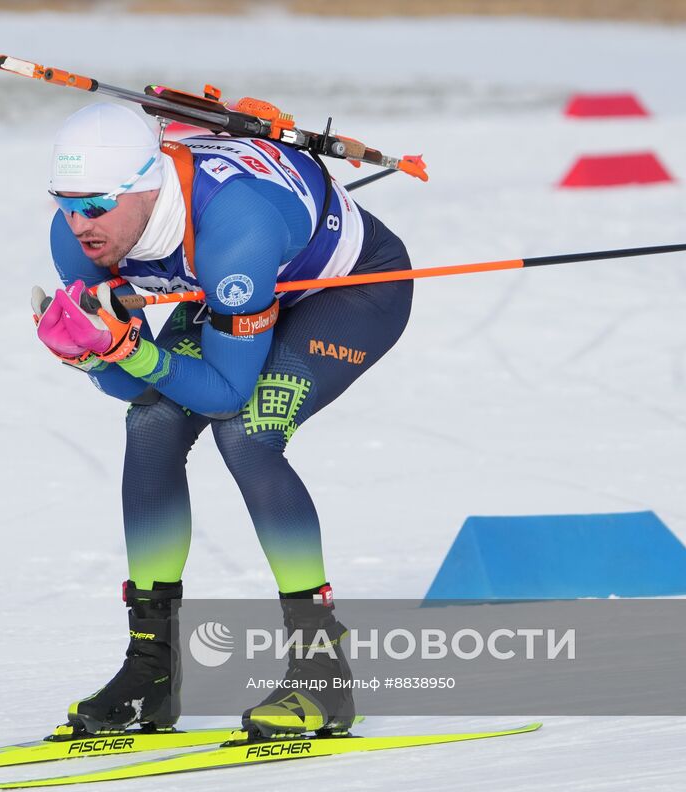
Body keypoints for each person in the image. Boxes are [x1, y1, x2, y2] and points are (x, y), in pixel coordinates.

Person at [31, 102, 414, 739]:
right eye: (65, 203)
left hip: (351, 288)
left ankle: (322, 676)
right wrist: (94, 355)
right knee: (150, 425)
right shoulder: (73, 236)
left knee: (248, 434)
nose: (78, 224)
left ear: (147, 185)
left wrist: (123, 347)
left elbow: (225, 393)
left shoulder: (237, 227)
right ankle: (150, 672)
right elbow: (134, 386)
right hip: (236, 288)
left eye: (96, 205)